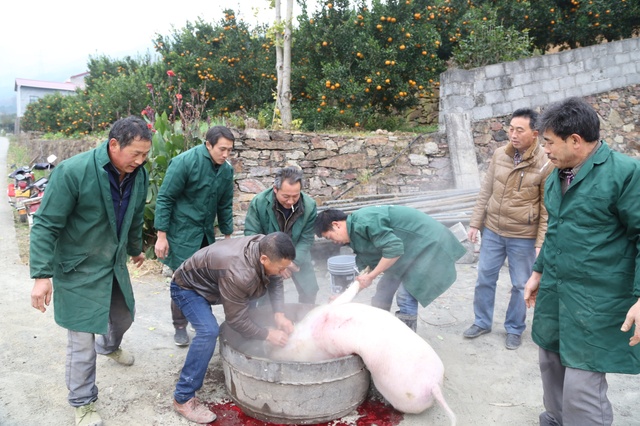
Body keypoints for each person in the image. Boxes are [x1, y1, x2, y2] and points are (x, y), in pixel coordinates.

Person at [524, 97, 640, 425]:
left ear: (575, 140)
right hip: (557, 294)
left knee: (581, 386)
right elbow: (557, 232)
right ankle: (556, 419)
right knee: (549, 361)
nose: (544, 150)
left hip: (598, 298)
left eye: (548, 142)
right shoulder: (555, 177)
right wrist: (538, 271)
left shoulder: (626, 174)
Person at [29, 116, 152, 426]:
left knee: (123, 317)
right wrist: (42, 276)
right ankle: (83, 402)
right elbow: (46, 224)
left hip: (112, 265)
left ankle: (108, 346)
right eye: (135, 153)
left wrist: (136, 249)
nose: (140, 161)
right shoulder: (74, 172)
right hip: (78, 268)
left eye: (145, 154)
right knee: (81, 341)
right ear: (113, 145)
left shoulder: (138, 175)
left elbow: (135, 215)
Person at [170, 232, 296, 424]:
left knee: (254, 303)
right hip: (188, 288)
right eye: (280, 268)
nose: (282, 272)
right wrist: (268, 334)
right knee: (208, 332)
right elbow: (236, 320)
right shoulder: (239, 273)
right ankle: (183, 397)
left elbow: (276, 279)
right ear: (263, 259)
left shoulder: (267, 245)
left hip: (214, 282)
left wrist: (279, 313)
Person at [463, 108, 553, 350]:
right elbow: (486, 191)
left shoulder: (545, 163)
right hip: (493, 229)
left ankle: (514, 328)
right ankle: (482, 321)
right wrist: (475, 222)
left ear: (535, 133)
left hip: (523, 235)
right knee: (484, 278)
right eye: (511, 129)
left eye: (519, 130)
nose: (513, 134)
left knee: (520, 284)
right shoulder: (500, 154)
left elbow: (546, 207)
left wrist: (540, 242)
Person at [315, 205, 466, 331]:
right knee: (383, 290)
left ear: (336, 225)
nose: (332, 241)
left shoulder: (365, 221)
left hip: (428, 244)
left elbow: (394, 249)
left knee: (405, 295)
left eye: (329, 237)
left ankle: (406, 341)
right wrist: (343, 296)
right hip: (408, 252)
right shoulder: (353, 236)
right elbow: (364, 274)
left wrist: (372, 275)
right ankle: (380, 330)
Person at [154, 126, 235, 347]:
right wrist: (161, 236)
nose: (226, 154)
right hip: (181, 234)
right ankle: (179, 325)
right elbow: (165, 198)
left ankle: (202, 324)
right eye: (222, 149)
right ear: (208, 144)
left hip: (205, 236)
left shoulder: (226, 170)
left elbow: (225, 204)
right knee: (182, 282)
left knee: (206, 280)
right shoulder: (184, 162)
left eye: (230, 150)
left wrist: (228, 238)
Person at [244, 166, 319, 304]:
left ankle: (305, 319)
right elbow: (251, 236)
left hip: (297, 253)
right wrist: (277, 263)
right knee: (265, 298)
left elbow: (307, 238)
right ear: (275, 189)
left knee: (310, 290)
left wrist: (293, 262)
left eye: (295, 196)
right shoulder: (259, 203)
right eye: (286, 196)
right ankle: (269, 322)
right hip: (268, 255)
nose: (290, 201)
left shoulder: (309, 205)